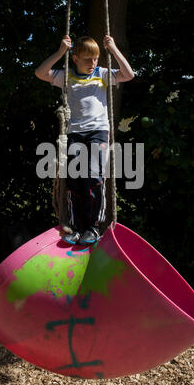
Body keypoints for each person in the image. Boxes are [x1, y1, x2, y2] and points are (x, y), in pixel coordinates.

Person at [35, 34, 134, 244]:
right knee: (74, 179)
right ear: (76, 58)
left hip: (98, 131)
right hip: (75, 133)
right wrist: (61, 52)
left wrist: (114, 49)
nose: (93, 63)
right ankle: (76, 227)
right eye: (88, 59)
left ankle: (93, 227)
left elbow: (129, 74)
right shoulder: (67, 76)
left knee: (93, 176)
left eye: (96, 58)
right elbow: (40, 72)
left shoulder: (102, 74)